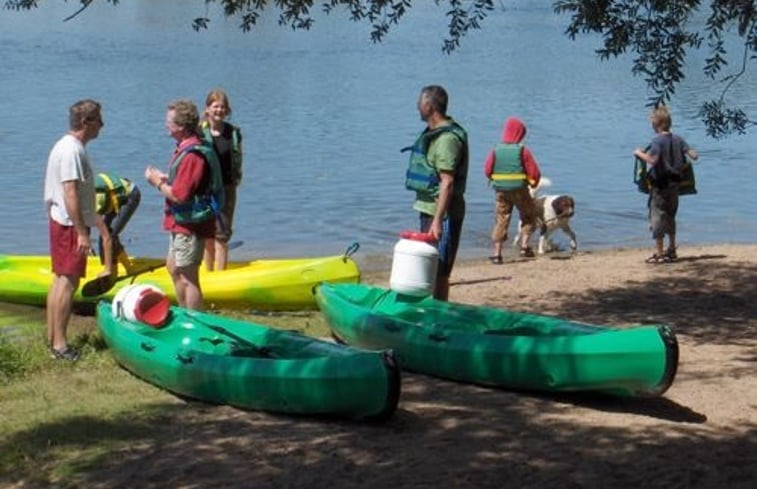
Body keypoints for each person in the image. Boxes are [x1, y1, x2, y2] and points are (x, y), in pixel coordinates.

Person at [44, 99, 113, 361]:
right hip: (68, 223)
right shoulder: (72, 150)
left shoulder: (67, 146)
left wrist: (95, 221)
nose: (102, 125)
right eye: (99, 120)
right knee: (68, 282)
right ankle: (60, 346)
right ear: (86, 122)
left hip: (63, 219)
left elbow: (78, 195)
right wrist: (82, 231)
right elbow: (70, 191)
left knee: (60, 280)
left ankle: (53, 338)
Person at [145, 99, 223, 310]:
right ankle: (184, 313)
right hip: (180, 223)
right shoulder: (186, 148)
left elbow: (180, 196)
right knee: (174, 267)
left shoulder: (192, 156)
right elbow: (185, 185)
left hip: (190, 226)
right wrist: (166, 179)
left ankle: (195, 321)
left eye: (168, 121)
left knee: (188, 276)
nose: (165, 125)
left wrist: (157, 182)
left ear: (180, 126)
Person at [404, 85, 469, 301]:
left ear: (429, 106)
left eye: (419, 102)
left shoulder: (447, 140)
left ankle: (439, 317)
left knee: (439, 271)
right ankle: (431, 311)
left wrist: (438, 220)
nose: (417, 106)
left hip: (443, 214)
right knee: (430, 268)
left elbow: (447, 182)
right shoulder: (434, 134)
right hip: (429, 210)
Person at [634, 105, 698, 264]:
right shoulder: (679, 139)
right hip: (675, 185)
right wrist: (686, 154)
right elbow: (694, 156)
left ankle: (659, 253)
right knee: (671, 215)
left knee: (657, 217)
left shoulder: (657, 141)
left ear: (656, 125)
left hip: (660, 185)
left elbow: (653, 160)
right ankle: (672, 249)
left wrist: (639, 153)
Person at [483, 117, 542, 262]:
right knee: (529, 214)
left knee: (501, 219)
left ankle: (497, 254)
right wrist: (533, 184)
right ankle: (524, 247)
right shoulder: (523, 151)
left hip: (501, 191)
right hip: (520, 190)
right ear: (520, 134)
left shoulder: (496, 150)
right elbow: (534, 173)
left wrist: (495, 178)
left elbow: (487, 170)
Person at [199, 89, 243, 271]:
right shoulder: (199, 132)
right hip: (204, 189)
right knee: (207, 234)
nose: (219, 110)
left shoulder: (233, 132)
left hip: (226, 187)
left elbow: (239, 157)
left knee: (222, 235)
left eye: (223, 107)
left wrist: (238, 178)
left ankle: (220, 275)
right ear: (207, 109)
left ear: (227, 110)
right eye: (215, 106)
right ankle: (208, 274)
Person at [95, 172, 141, 273]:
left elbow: (106, 237)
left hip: (130, 195)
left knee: (110, 235)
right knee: (105, 235)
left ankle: (122, 269)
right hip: (113, 199)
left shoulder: (97, 196)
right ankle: (115, 267)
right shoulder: (83, 197)